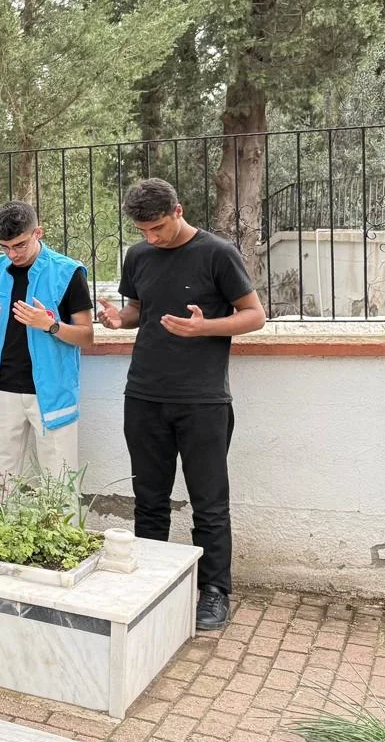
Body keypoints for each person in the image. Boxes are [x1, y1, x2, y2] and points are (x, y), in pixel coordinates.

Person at [96, 178, 266, 631]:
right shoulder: (138, 256)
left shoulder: (218, 253)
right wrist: (118, 319)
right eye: (143, 231)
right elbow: (139, 310)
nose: (151, 238)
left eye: (157, 228)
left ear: (178, 210)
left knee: (209, 502)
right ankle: (151, 582)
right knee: (149, 500)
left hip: (202, 399)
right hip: (143, 394)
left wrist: (204, 327)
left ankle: (214, 591)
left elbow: (255, 315)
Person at [0, 201, 94, 484]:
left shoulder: (68, 272)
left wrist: (50, 325)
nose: (12, 254)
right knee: (1, 482)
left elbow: (86, 336)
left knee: (59, 482)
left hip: (51, 392)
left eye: (19, 245)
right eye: (5, 247)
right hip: (2, 390)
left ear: (38, 232)